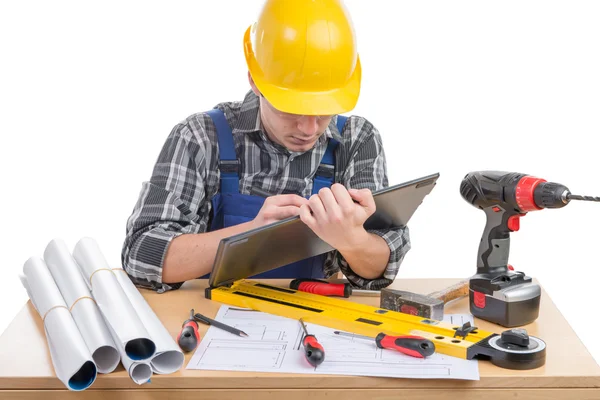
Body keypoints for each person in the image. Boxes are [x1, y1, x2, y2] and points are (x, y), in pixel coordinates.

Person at [121, 0, 411, 293]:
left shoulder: (356, 140)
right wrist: (251, 234)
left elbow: (379, 268)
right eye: (291, 109)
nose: (309, 129)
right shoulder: (200, 137)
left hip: (314, 320)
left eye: (324, 110)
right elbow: (141, 255)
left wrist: (350, 238)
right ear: (255, 81)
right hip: (210, 321)